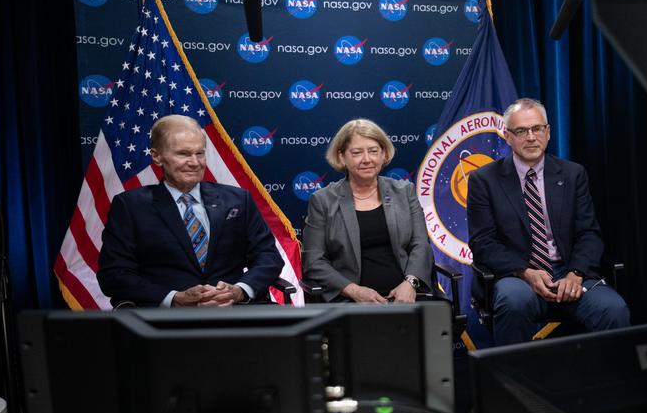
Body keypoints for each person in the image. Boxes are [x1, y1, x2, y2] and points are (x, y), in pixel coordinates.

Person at [467, 98, 630, 345]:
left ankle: (606, 381)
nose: (531, 137)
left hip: (569, 273)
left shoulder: (573, 174)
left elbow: (589, 233)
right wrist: (526, 272)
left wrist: (576, 273)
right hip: (517, 275)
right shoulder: (484, 180)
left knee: (613, 309)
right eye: (521, 131)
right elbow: (483, 242)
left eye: (537, 128)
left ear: (548, 132)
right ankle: (514, 382)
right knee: (514, 301)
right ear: (507, 136)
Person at [97, 114, 283, 307]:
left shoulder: (238, 199)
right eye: (183, 154)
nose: (195, 162)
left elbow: (267, 256)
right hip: (166, 320)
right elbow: (114, 274)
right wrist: (174, 298)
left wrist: (239, 291)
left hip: (234, 310)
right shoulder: (130, 206)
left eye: (199, 153)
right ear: (157, 156)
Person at [302, 118, 433, 303]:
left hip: (406, 295)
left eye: (373, 151)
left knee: (437, 320)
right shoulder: (323, 200)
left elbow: (420, 245)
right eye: (357, 153)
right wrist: (353, 291)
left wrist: (410, 283)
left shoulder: (405, 191)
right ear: (342, 157)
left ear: (383, 154)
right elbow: (314, 261)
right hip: (350, 300)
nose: (367, 159)